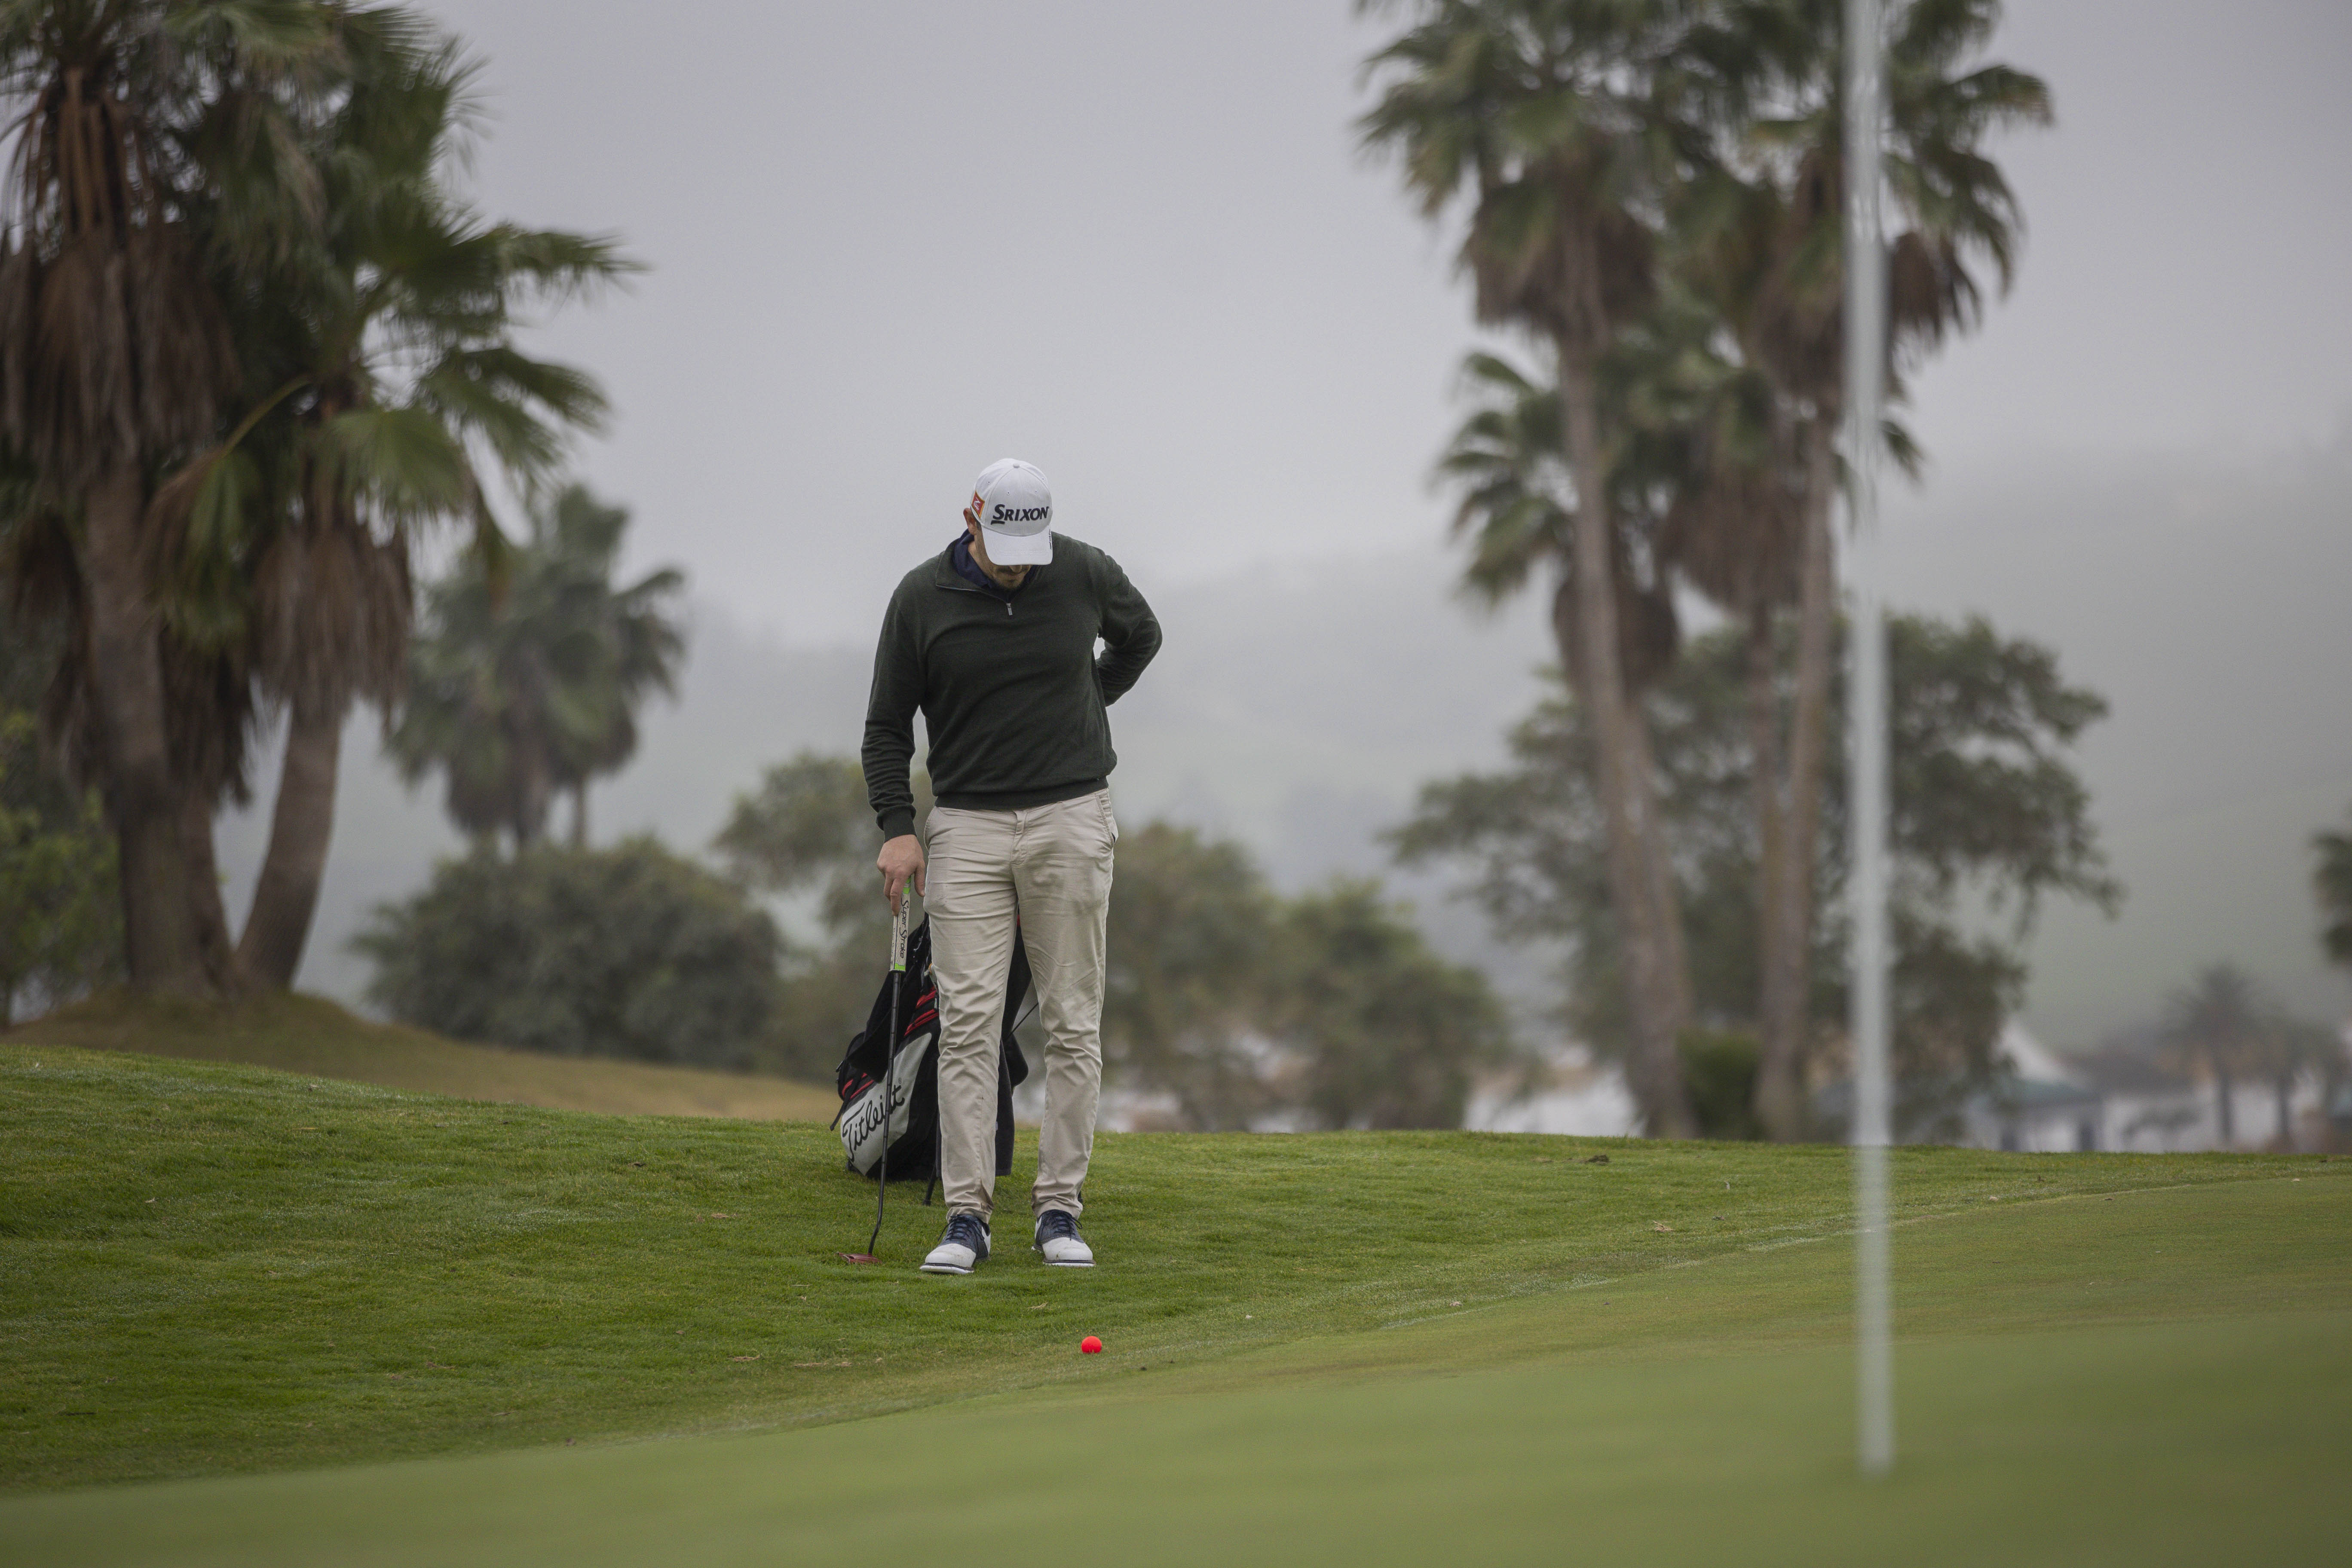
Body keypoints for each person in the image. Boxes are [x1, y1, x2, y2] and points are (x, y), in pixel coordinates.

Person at [863, 457, 1161, 1274]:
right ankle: (967, 1218)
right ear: (970, 518)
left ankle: (1059, 1208)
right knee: (968, 1025)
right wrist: (899, 827)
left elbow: (1143, 637)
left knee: (1073, 1020)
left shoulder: (1084, 571)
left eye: (1028, 549)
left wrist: (1089, 699)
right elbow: (887, 727)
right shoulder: (921, 598)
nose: (1017, 564)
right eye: (1002, 548)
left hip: (1072, 816)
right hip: (965, 827)